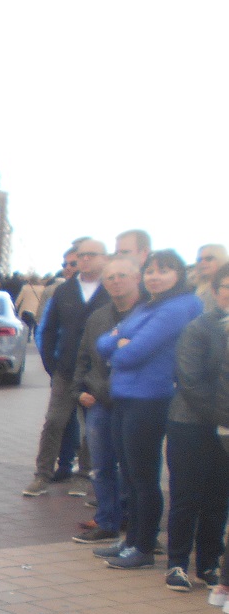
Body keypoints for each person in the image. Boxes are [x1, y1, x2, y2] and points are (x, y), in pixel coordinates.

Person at [95, 250, 203, 570]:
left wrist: (120, 342)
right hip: (124, 396)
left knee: (143, 476)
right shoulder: (148, 305)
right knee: (128, 474)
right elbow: (103, 345)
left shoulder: (181, 306)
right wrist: (119, 342)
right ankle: (130, 541)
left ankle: (143, 546)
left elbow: (134, 353)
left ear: (179, 275)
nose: (155, 276)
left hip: (150, 398)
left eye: (164, 271)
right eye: (151, 271)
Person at [162, 262, 229, 590]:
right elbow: (190, 381)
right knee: (187, 496)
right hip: (191, 424)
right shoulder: (199, 328)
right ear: (216, 292)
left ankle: (207, 564)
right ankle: (176, 563)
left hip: (225, 429)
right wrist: (223, 419)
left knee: (219, 498)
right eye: (226, 286)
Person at [26, 239, 109, 496]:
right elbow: (48, 329)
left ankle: (84, 475)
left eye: (90, 255)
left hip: (97, 371)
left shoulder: (110, 289)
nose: (84, 260)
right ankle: (42, 474)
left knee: (91, 426)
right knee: (54, 421)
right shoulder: (65, 291)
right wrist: (51, 364)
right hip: (65, 369)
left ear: (103, 258)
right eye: (80, 256)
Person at [73, 257, 142, 545]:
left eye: (122, 275)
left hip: (137, 402)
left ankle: (135, 521)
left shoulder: (149, 316)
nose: (115, 281)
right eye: (110, 277)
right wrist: (79, 390)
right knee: (101, 466)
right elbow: (84, 357)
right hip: (99, 400)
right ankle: (107, 521)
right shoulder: (98, 317)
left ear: (136, 278)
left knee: (135, 468)